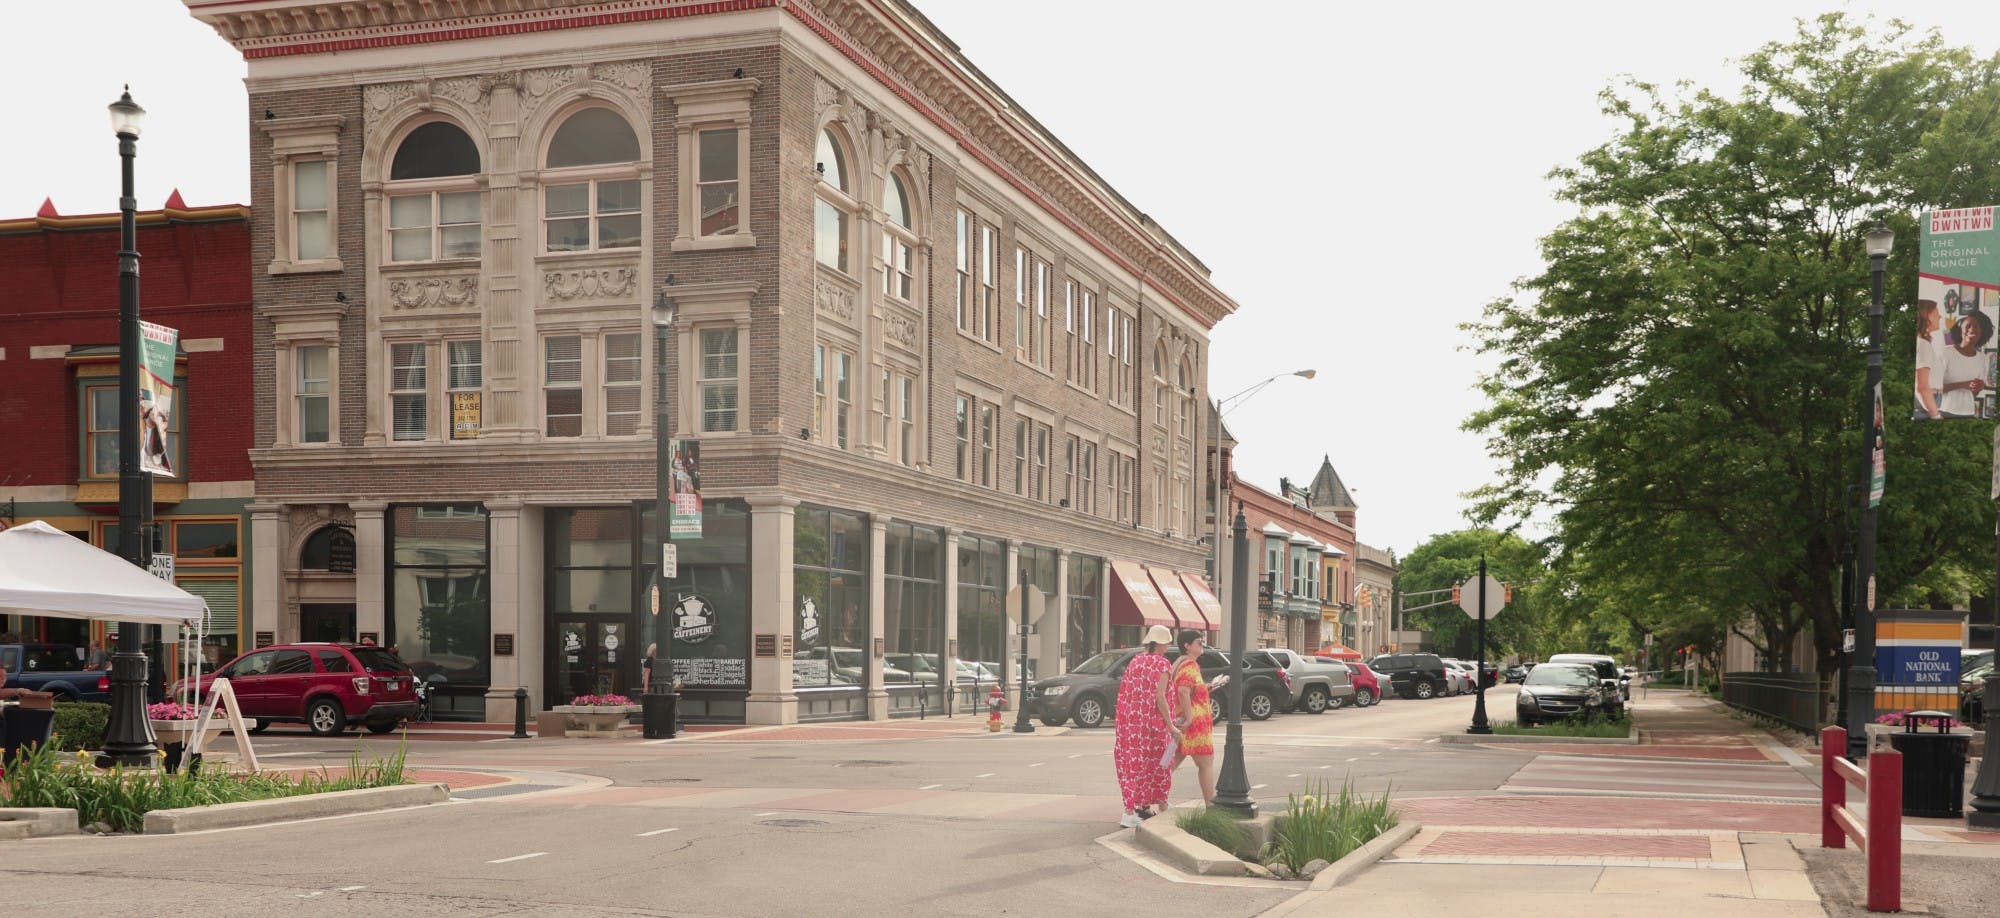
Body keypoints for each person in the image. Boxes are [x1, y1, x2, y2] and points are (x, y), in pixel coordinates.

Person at [1112, 625, 1176, 828]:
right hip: (1153, 725)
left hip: (1131, 724)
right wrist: (1171, 725)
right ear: (1162, 643)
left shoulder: (1135, 661)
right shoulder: (1163, 664)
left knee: (1133, 765)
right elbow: (1160, 698)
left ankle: (1136, 808)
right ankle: (1160, 805)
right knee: (1159, 764)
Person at [1167, 629, 1228, 806]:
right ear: (1187, 646)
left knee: (1168, 763)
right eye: (1198, 642)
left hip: (1180, 723)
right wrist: (1190, 717)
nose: (1202, 645)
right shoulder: (1189, 665)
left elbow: (1188, 689)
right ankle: (1211, 805)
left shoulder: (1179, 663)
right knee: (1206, 763)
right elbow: (1183, 691)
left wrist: (1207, 687)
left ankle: (1152, 801)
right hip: (1193, 726)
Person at [1938, 310, 1993, 418]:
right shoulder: (1946, 353)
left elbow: (1974, 393)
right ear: (1960, 329)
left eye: (1976, 326)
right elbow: (1933, 388)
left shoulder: (1983, 358)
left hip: (1969, 413)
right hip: (1945, 411)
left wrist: (1979, 387)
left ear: (1982, 332)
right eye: (1968, 326)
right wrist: (1963, 384)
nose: (1971, 329)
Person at [1915, 298, 1944, 419]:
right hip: (1929, 402)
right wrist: (1935, 414)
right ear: (1928, 315)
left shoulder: (1922, 342)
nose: (1940, 316)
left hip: (1928, 401)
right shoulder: (1923, 345)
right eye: (1937, 313)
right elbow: (1922, 386)